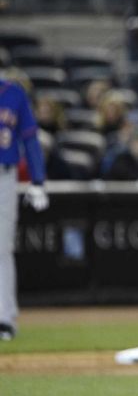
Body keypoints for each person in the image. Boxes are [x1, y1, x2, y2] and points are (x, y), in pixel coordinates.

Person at [0, 78, 49, 341]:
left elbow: (30, 138)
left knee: (2, 247)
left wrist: (37, 180)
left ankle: (4, 318)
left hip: (4, 176)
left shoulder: (13, 93)